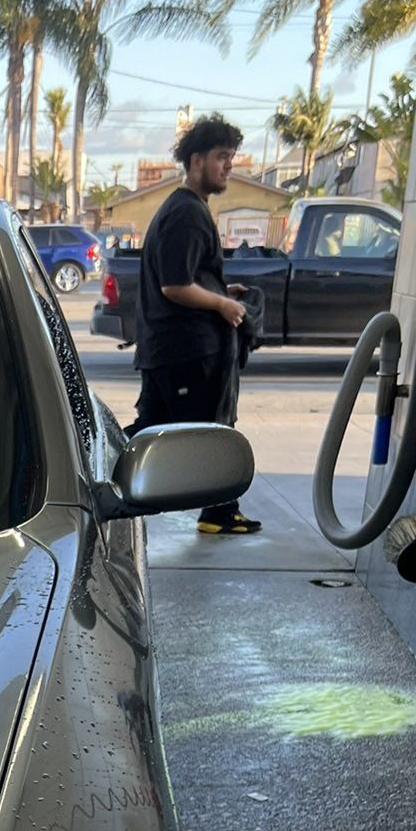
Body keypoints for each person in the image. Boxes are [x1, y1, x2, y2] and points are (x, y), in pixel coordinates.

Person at [132, 114, 261, 536]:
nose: (229, 166)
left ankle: (217, 511)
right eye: (222, 157)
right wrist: (222, 305)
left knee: (153, 430)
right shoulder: (186, 214)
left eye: (231, 158)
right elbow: (175, 285)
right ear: (196, 160)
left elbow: (191, 277)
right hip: (184, 351)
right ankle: (219, 511)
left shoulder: (189, 209)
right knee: (206, 434)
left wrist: (224, 288)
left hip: (171, 350)